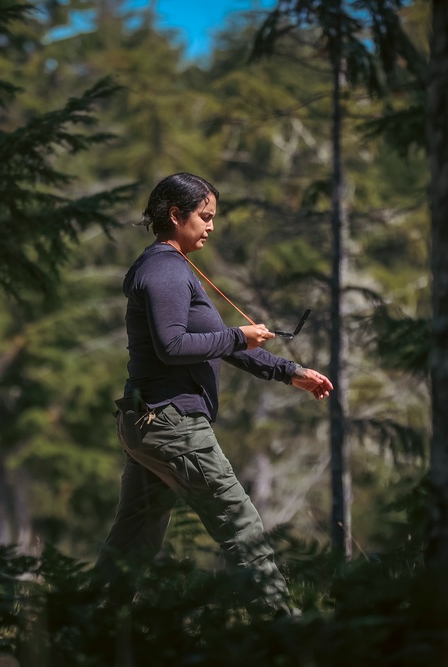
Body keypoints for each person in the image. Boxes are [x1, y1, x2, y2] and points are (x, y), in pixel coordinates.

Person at [95, 172, 333, 613]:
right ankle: (282, 628)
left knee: (132, 540)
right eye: (204, 216)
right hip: (173, 425)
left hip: (149, 422)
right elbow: (174, 346)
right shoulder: (165, 271)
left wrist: (289, 372)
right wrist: (239, 338)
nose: (210, 226)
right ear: (174, 214)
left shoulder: (171, 267)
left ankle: (85, 629)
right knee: (239, 521)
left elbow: (216, 340)